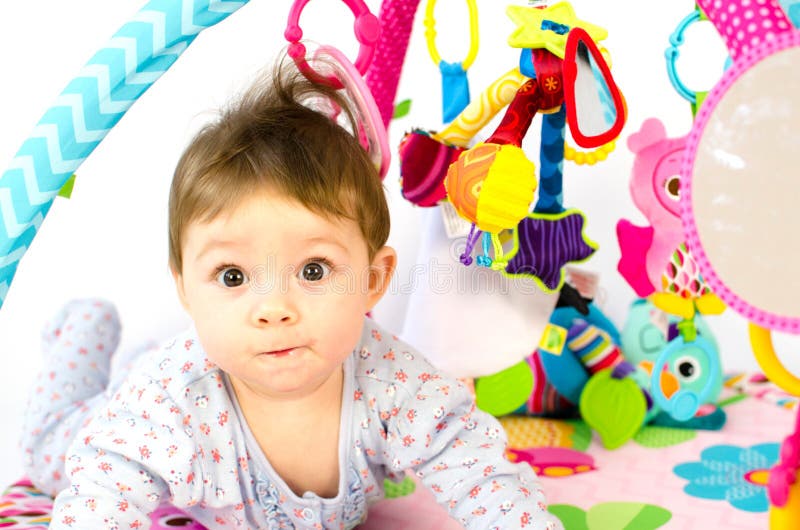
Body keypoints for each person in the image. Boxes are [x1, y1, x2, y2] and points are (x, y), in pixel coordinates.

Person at [20, 55, 563, 530]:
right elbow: (101, 495)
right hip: (134, 398)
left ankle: (137, 353)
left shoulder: (394, 381)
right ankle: (85, 328)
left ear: (373, 280)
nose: (274, 309)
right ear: (184, 287)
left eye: (314, 270)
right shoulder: (169, 401)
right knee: (50, 456)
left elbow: (480, 473)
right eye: (232, 276)